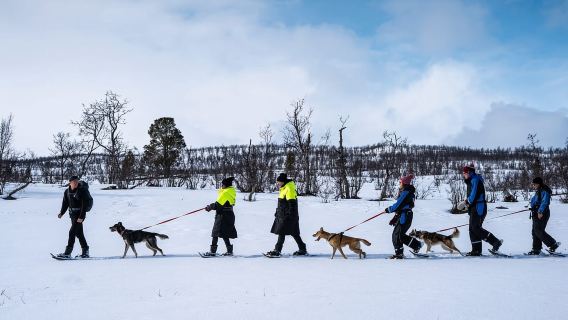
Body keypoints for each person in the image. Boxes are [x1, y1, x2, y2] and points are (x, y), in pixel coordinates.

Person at [462, 164, 502, 256]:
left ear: (469, 172)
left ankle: (495, 242)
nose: (463, 174)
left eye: (464, 172)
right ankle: (476, 250)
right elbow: (471, 195)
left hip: (479, 207)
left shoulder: (475, 180)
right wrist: (467, 203)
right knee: (472, 229)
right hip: (474, 207)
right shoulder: (471, 180)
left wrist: (466, 202)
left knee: (475, 228)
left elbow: (474, 195)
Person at [265, 173, 307, 257]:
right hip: (283, 214)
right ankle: (302, 248)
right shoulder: (283, 188)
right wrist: (277, 212)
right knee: (294, 232)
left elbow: (292, 203)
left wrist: (289, 215)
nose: (277, 184)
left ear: (283, 182)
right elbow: (282, 203)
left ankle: (277, 250)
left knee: (282, 232)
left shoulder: (289, 188)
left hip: (288, 216)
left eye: (278, 182)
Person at [384, 174, 422, 259]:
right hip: (404, 215)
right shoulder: (408, 191)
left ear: (404, 183)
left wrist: (389, 209)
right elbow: (402, 206)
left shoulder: (406, 192)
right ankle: (415, 245)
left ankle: (401, 253)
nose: (399, 183)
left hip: (405, 216)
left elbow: (398, 205)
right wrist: (395, 217)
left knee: (397, 235)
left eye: (400, 182)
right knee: (399, 235)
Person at [202, 177, 238, 256]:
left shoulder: (225, 193)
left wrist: (209, 207)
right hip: (229, 215)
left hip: (222, 215)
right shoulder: (231, 192)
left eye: (223, 184)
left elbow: (218, 205)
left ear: (226, 185)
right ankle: (229, 251)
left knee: (216, 232)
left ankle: (212, 252)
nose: (221, 186)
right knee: (225, 233)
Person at [56, 176, 90, 258]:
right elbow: (65, 203)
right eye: (74, 181)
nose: (76, 183)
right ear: (70, 182)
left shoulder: (82, 191)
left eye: (77, 181)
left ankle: (67, 253)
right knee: (79, 233)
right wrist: (62, 213)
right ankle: (85, 251)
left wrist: (81, 216)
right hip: (72, 215)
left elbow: (84, 205)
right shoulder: (67, 191)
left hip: (80, 215)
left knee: (72, 232)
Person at [527, 177, 560, 255]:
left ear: (538, 184)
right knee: (534, 232)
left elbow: (545, 202)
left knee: (538, 230)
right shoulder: (539, 190)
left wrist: (540, 211)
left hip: (542, 213)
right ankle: (536, 249)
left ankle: (553, 244)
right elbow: (535, 200)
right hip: (536, 212)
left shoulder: (545, 191)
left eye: (534, 184)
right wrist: (532, 207)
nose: (533, 186)